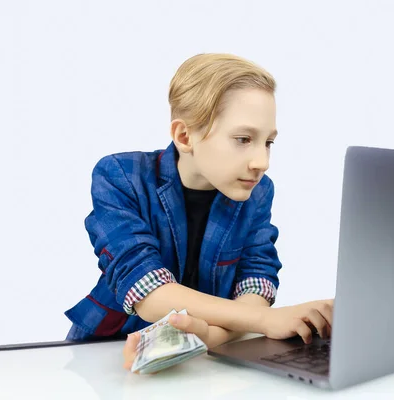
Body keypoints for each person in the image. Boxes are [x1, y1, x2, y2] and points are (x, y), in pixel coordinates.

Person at [63, 53, 333, 369]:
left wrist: (207, 336)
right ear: (184, 136)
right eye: (244, 139)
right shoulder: (120, 176)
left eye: (268, 142)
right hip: (105, 351)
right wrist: (264, 319)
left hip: (201, 356)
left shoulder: (259, 192)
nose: (262, 161)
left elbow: (256, 280)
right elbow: (148, 291)